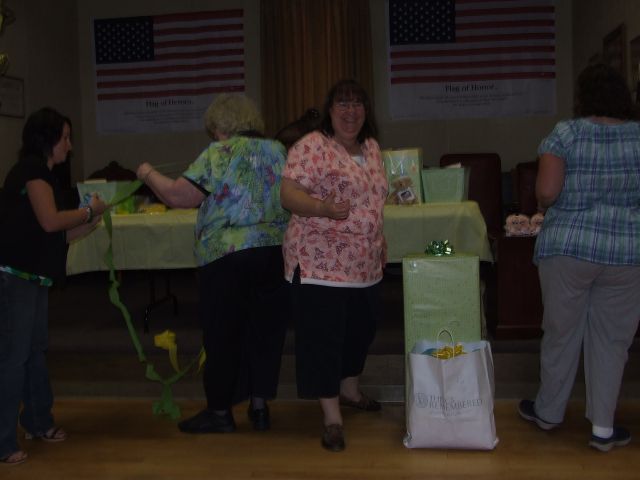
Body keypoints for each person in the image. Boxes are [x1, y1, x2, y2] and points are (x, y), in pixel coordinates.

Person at [136, 93, 290, 434]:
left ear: (222, 126)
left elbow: (179, 196)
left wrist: (147, 173)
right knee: (263, 333)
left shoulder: (219, 152)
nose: (214, 135)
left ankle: (220, 412)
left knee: (223, 334)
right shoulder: (277, 150)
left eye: (214, 129)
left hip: (227, 257)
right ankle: (259, 407)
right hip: (273, 253)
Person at [518, 63, 640, 452]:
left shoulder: (566, 134)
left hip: (569, 248)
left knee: (561, 332)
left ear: (582, 97)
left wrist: (545, 203)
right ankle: (603, 428)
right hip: (627, 251)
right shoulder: (638, 136)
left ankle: (548, 413)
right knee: (612, 340)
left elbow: (547, 192)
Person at [280, 79, 388, 452]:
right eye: (342, 103)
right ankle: (332, 418)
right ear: (330, 110)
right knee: (323, 339)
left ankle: (350, 390)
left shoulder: (372, 148)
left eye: (357, 104)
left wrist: (381, 237)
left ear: (366, 111)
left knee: (361, 331)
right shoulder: (312, 146)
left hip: (365, 264)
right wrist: (323, 207)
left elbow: (373, 200)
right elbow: (288, 194)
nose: (350, 111)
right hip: (320, 263)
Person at [0, 107, 107, 465]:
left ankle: (37, 422)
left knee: (34, 351)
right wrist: (88, 211)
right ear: (47, 140)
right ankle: (3, 442)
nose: (70, 145)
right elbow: (50, 221)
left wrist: (93, 220)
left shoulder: (46, 176)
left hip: (33, 276)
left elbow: (57, 234)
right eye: (65, 137)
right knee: (14, 357)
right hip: (15, 276)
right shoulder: (31, 171)